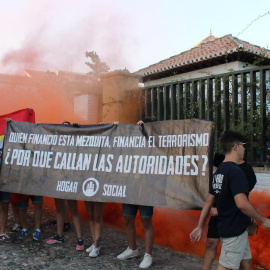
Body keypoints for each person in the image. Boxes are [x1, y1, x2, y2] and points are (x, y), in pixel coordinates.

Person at [190, 130, 270, 270]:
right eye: (243, 145)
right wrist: (263, 220)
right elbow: (242, 204)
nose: (245, 149)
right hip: (233, 228)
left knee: (246, 261)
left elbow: (209, 201)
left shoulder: (219, 171)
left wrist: (200, 226)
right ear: (235, 147)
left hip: (234, 226)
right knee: (226, 266)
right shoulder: (236, 172)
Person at [194, 152, 257, 270]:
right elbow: (206, 152)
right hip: (217, 215)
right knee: (211, 243)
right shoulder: (224, 163)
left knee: (242, 258)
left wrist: (221, 209)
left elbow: (242, 199)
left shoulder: (247, 171)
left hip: (234, 218)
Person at [116, 119, 154, 269]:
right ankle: (132, 249)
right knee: (128, 218)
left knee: (146, 221)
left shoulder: (151, 143)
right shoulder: (129, 143)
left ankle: (148, 254)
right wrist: (115, 129)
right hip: (130, 186)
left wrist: (147, 128)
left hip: (145, 188)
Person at [47, 121, 84, 250]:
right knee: (59, 209)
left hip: (71, 180)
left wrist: (78, 128)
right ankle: (59, 235)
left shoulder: (76, 143)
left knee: (73, 209)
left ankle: (80, 239)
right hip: (58, 178)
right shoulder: (57, 144)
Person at [85, 121, 119, 258]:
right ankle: (94, 242)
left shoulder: (107, 148)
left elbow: (117, 142)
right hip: (87, 183)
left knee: (97, 216)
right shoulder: (87, 147)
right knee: (91, 216)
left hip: (99, 184)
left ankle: (97, 245)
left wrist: (115, 127)